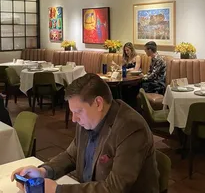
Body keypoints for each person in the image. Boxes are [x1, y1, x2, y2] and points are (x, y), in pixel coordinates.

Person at [11, 73, 159, 193]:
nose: (74, 119)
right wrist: (43, 171)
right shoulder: (88, 121)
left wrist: (58, 190)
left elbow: (115, 188)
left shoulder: (130, 128)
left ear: (98, 103)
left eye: (78, 111)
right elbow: (71, 155)